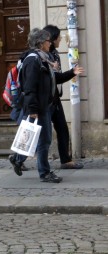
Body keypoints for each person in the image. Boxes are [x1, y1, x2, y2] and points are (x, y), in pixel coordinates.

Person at [9, 28, 83, 183]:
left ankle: (18, 158)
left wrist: (71, 73)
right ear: (41, 43)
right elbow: (29, 88)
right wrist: (33, 110)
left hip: (45, 105)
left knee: (37, 139)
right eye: (49, 41)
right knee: (44, 140)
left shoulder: (42, 59)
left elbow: (53, 78)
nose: (51, 43)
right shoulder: (33, 60)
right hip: (39, 107)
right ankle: (44, 173)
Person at [42, 24, 84, 170]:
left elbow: (56, 77)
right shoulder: (43, 55)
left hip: (54, 97)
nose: (60, 39)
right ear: (52, 39)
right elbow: (55, 77)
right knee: (40, 133)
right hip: (45, 100)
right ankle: (18, 158)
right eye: (58, 37)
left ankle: (65, 160)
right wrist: (72, 72)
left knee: (62, 128)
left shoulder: (54, 53)